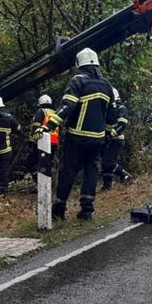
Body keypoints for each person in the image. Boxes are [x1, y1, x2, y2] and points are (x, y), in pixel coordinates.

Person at [41, 47, 115, 221]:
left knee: (68, 171)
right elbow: (111, 115)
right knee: (91, 171)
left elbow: (68, 106)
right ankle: (87, 210)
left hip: (77, 136)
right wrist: (107, 134)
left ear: (79, 64)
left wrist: (50, 125)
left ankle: (59, 209)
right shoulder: (107, 85)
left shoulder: (78, 81)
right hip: (97, 139)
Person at [101, 87, 132, 191]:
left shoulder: (121, 108)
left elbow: (122, 124)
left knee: (108, 162)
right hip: (106, 139)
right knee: (105, 163)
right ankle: (107, 186)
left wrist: (111, 135)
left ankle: (125, 174)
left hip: (116, 139)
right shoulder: (107, 109)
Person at [26, 94, 59, 182]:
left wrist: (31, 141)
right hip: (54, 142)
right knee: (47, 163)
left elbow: (36, 126)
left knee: (30, 162)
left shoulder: (41, 111)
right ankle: (48, 182)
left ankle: (39, 181)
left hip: (42, 142)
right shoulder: (55, 113)